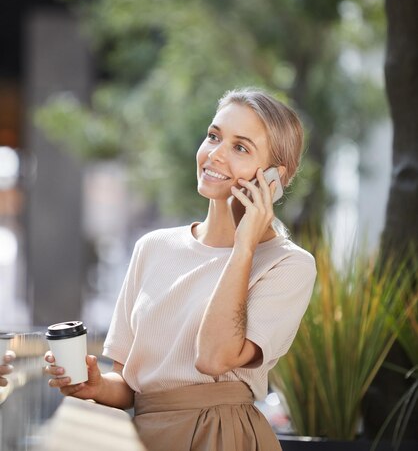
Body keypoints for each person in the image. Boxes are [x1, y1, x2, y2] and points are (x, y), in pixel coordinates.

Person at [46, 87, 316, 451]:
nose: (215, 154)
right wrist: (96, 385)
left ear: (274, 177)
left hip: (222, 437)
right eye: (213, 136)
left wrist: (244, 247)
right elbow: (129, 383)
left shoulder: (289, 265)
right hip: (143, 437)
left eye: (240, 148)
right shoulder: (153, 248)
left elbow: (214, 358)